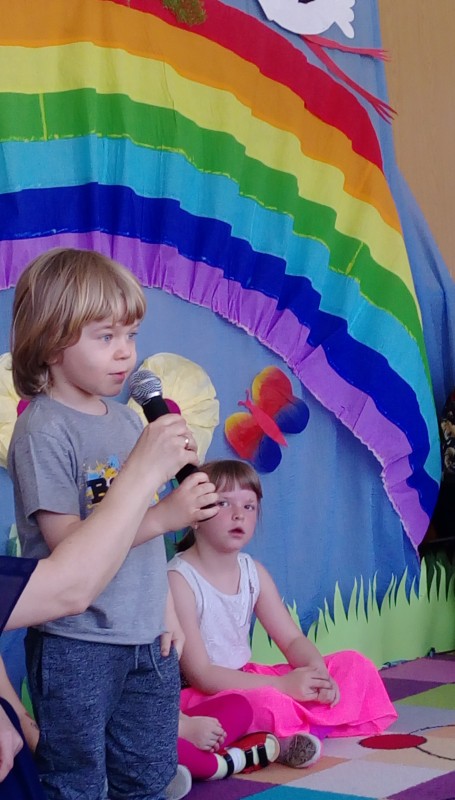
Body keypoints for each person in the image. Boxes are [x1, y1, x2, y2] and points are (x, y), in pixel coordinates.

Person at [6, 247, 219, 800]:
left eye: (131, 335)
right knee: (77, 779)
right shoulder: (43, 430)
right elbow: (68, 548)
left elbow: (144, 544)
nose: (126, 352)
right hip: (78, 642)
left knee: (147, 775)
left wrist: (165, 611)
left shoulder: (129, 422)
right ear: (52, 341)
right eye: (106, 336)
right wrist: (165, 515)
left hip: (146, 636)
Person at [168, 459, 398, 769]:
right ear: (194, 515)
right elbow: (202, 675)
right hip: (206, 694)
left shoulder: (253, 572)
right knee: (269, 701)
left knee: (355, 666)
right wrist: (283, 686)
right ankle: (286, 737)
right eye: (223, 503)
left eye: (249, 506)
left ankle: (285, 732)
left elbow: (291, 640)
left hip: (248, 676)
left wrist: (318, 673)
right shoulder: (179, 579)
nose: (238, 514)